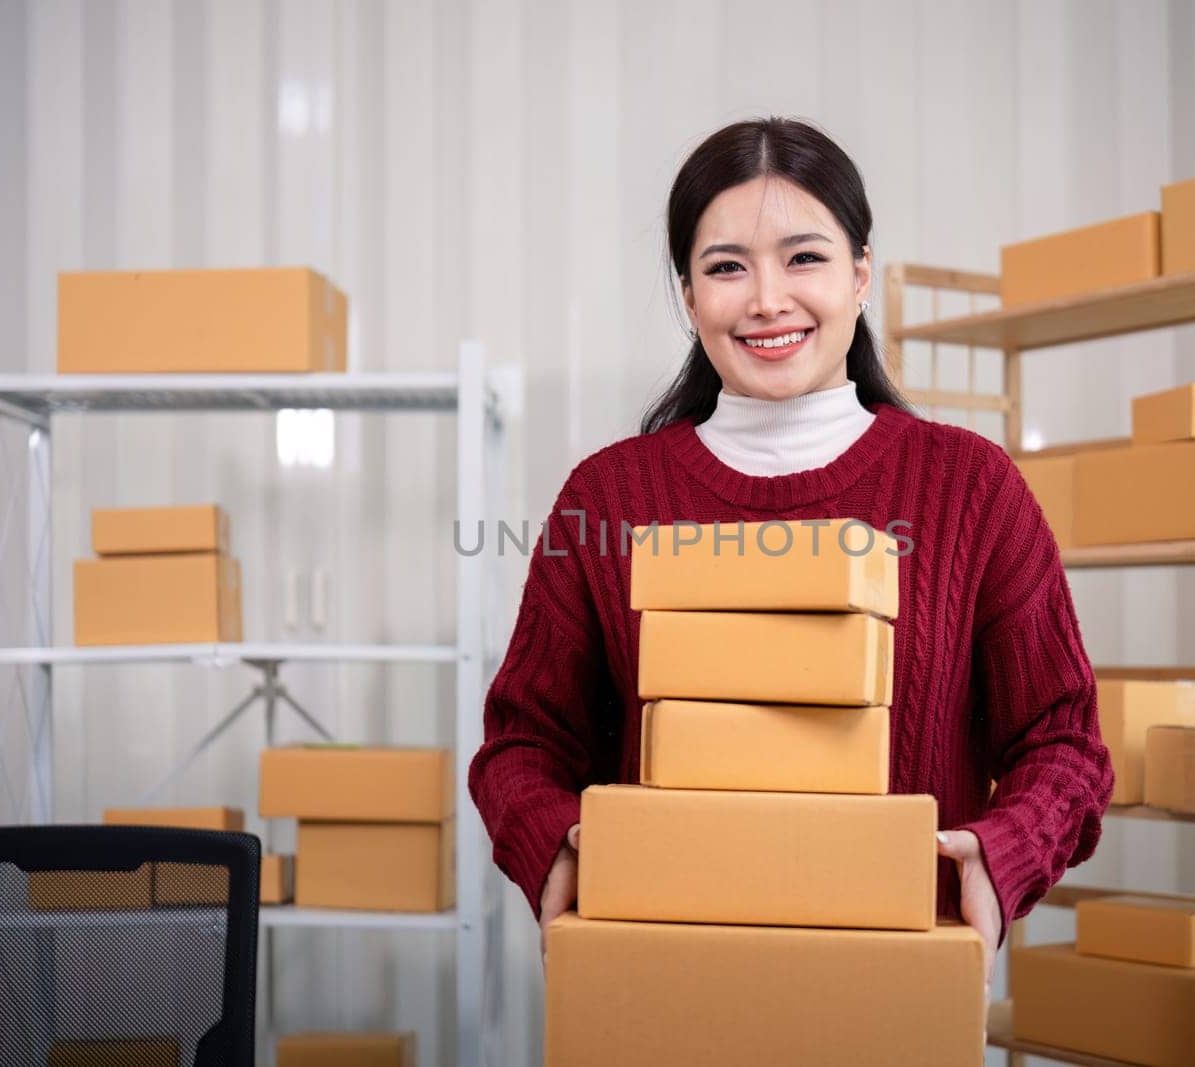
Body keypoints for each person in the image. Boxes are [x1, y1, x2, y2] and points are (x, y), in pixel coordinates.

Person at [467, 116, 1114, 989]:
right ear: (690, 297)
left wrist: (1000, 859)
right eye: (727, 266)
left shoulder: (971, 490)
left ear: (860, 274)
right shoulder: (608, 500)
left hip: (899, 980)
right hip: (667, 981)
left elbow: (1064, 739)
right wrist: (557, 847)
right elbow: (521, 743)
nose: (767, 299)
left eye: (803, 257)